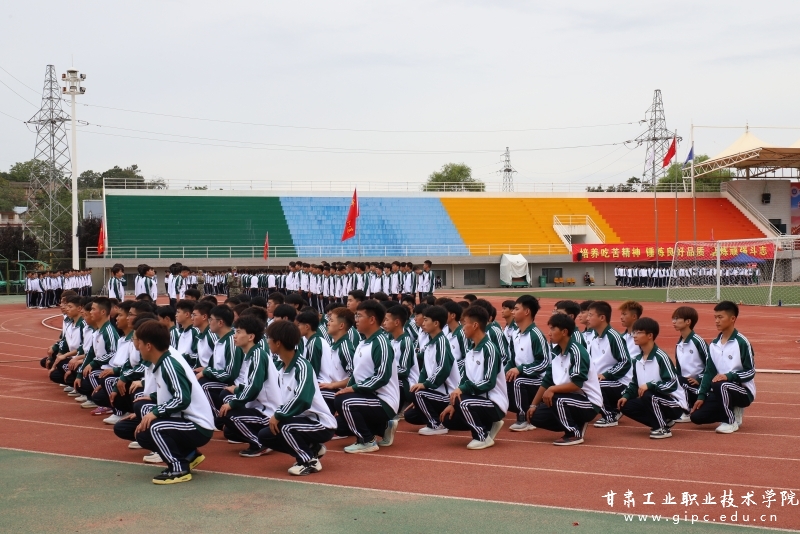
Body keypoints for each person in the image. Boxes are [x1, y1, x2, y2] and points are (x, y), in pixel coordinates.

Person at [133, 321, 214, 484]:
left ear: (148, 346)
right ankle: (189, 455)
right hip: (185, 420)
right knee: (143, 432)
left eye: (139, 343)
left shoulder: (169, 364)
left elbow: (182, 398)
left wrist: (155, 413)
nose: (137, 347)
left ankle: (179, 468)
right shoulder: (162, 362)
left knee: (155, 427)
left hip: (198, 425)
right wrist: (153, 405)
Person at [257, 321, 337, 475]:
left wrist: (278, 415)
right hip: (300, 421)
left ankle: (309, 461)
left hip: (320, 424)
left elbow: (302, 399)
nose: (267, 342)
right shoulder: (280, 367)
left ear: (278, 343)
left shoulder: (302, 366)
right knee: (265, 435)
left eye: (269, 338)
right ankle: (312, 448)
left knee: (285, 427)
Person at [334, 300, 399, 453]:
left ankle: (367, 440)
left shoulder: (381, 343)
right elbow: (356, 375)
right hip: (367, 397)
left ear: (372, 319)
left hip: (384, 400)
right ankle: (384, 427)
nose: (355, 320)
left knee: (344, 402)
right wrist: (347, 388)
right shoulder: (363, 343)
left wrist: (352, 389)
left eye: (359, 316)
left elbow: (382, 376)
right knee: (338, 427)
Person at [527, 313, 602, 446]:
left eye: (552, 329)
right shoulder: (556, 352)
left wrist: (552, 389)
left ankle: (573, 433)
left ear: (564, 332)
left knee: (557, 398)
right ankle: (576, 422)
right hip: (569, 399)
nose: (549, 333)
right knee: (535, 417)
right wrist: (533, 405)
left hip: (588, 402)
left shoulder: (577, 352)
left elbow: (577, 384)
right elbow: (547, 381)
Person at [440, 305, 507, 449]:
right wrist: (453, 403)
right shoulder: (471, 350)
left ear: (475, 325)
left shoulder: (489, 349)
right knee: (448, 418)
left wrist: (463, 390)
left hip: (494, 402)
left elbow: (489, 382)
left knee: (463, 402)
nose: (462, 328)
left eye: (464, 323)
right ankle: (489, 425)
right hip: (478, 400)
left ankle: (482, 437)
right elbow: (465, 379)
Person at [218, 315, 281, 457]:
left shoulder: (258, 355)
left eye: (238, 332)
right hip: (257, 407)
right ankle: (263, 437)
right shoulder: (251, 355)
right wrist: (237, 390)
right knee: (229, 431)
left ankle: (260, 443)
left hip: (267, 412)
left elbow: (254, 388)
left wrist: (233, 404)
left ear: (251, 337)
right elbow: (250, 385)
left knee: (228, 414)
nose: (234, 336)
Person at [690, 301, 755, 434]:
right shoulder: (714, 345)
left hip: (743, 391)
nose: (717, 321)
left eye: (720, 317)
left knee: (721, 384)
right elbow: (709, 372)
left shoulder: (742, 342)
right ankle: (732, 410)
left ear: (732, 319)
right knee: (696, 417)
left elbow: (750, 372)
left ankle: (730, 421)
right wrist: (701, 396)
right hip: (719, 389)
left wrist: (728, 376)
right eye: (715, 317)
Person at [618, 317, 688, 439]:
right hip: (653, 399)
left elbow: (671, 384)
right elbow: (635, 383)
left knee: (648, 394)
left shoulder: (661, 357)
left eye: (639, 332)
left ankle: (662, 428)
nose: (634, 336)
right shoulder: (637, 360)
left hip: (674, 403)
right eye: (634, 332)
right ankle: (662, 420)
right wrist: (626, 395)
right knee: (625, 405)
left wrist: (650, 385)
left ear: (650, 335)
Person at [404, 306, 459, 435]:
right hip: (435, 393)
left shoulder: (442, 342)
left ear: (436, 323)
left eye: (426, 320)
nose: (423, 323)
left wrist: (425, 385)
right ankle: (441, 418)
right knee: (410, 415)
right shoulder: (431, 344)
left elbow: (443, 368)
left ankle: (436, 424)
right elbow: (424, 371)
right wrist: (420, 385)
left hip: (447, 395)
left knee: (418, 393)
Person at [507, 295, 550, 432]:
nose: (513, 312)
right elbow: (512, 360)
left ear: (526, 312)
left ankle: (524, 418)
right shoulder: (515, 334)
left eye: (516, 309)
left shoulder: (535, 335)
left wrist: (521, 369)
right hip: (524, 377)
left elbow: (544, 362)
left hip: (539, 380)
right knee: (502, 380)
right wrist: (502, 373)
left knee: (518, 381)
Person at [585, 301, 631, 428]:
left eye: (590, 315)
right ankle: (613, 409)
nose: (587, 318)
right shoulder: (594, 337)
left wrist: (606, 375)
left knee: (595, 385)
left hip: (621, 383)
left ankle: (609, 416)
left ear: (602, 318)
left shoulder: (613, 337)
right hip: (604, 381)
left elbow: (625, 362)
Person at [195, 305, 243, 416]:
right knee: (195, 376)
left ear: (220, 323)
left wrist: (207, 371)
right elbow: (213, 367)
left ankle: (217, 417)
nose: (209, 322)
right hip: (222, 379)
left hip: (233, 383)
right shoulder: (219, 340)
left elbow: (230, 374)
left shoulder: (231, 342)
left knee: (204, 385)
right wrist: (205, 370)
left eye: (211, 319)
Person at [672, 306, 709, 422]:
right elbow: (679, 369)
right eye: (673, 319)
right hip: (684, 385)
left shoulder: (698, 341)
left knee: (679, 380)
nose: (674, 322)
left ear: (688, 321)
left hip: (698, 386)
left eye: (677, 318)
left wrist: (699, 378)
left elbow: (711, 364)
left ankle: (686, 411)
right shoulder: (679, 344)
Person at [382, 305, 417, 416]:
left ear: (397, 322)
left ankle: (398, 408)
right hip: (395, 378)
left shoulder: (405, 342)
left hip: (408, 383)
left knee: (390, 381)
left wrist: (385, 372)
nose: (384, 323)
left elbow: (404, 371)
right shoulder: (391, 341)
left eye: (387, 320)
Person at [320, 307, 355, 413]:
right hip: (336, 389)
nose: (328, 323)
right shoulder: (335, 345)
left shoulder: (345, 348)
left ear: (341, 326)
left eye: (331, 321)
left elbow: (354, 378)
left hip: (344, 393)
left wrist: (333, 385)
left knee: (318, 393)